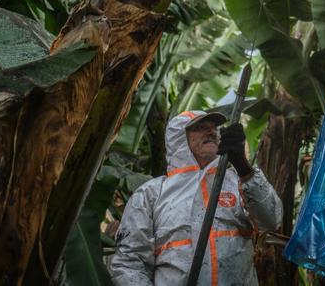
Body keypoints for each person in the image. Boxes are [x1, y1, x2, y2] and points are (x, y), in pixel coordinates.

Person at [110, 110, 282, 285]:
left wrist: (243, 166)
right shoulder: (151, 194)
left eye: (214, 128)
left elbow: (272, 220)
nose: (212, 132)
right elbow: (129, 264)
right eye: (200, 127)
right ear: (179, 138)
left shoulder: (240, 182)